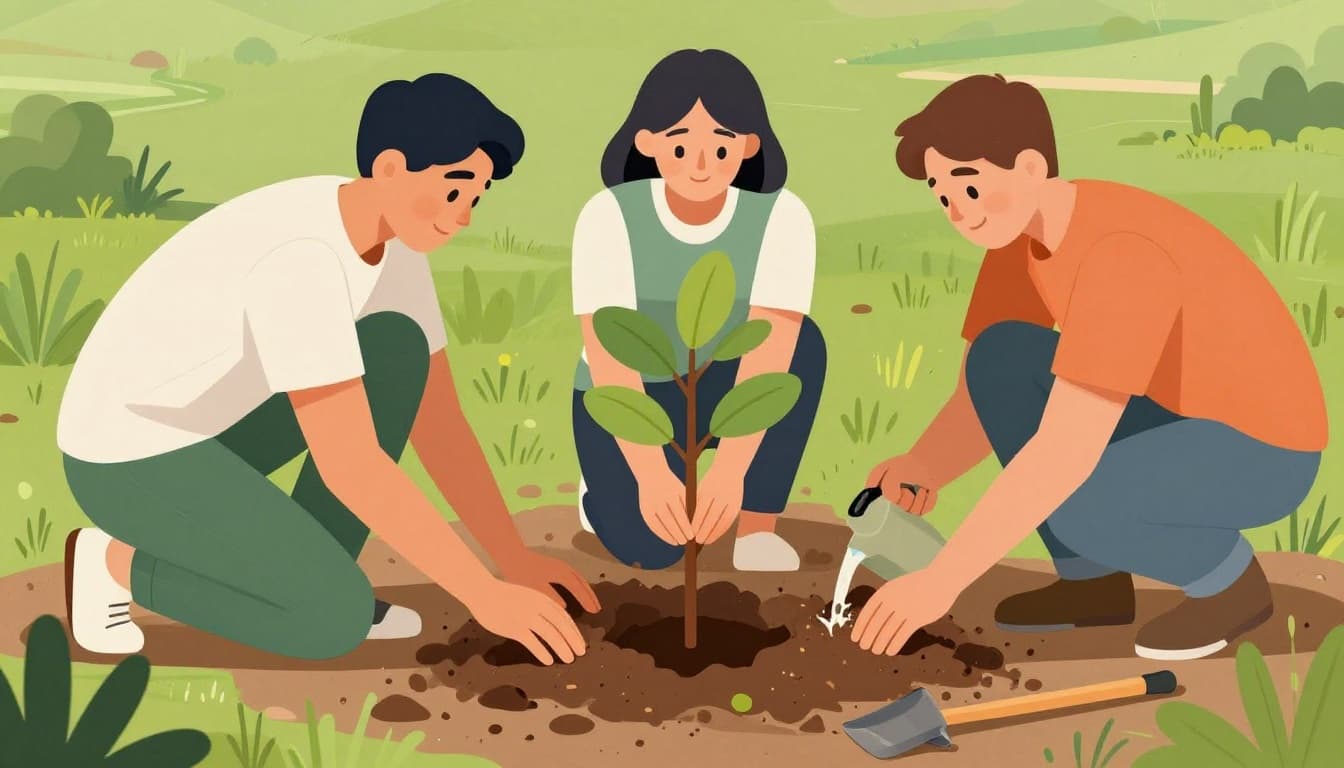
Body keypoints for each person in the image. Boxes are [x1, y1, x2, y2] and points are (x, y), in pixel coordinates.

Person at [57, 73, 598, 664]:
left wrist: (511, 561)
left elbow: (439, 424)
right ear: (391, 167)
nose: (463, 216)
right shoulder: (304, 259)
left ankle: (316, 573)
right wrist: (480, 593)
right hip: (127, 456)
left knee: (395, 347)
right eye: (453, 190)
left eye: (476, 197)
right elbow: (352, 466)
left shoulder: (395, 247)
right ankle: (113, 563)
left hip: (215, 426)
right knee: (327, 621)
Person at [851, 74, 1326, 661]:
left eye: (970, 189)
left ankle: (1227, 583)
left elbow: (1065, 452)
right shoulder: (1016, 239)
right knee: (1002, 355)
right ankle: (1091, 583)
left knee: (1077, 498)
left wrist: (940, 582)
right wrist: (925, 464)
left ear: (1029, 167)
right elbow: (985, 390)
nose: (958, 213)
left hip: (1262, 450)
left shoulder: (1118, 251)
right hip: (1172, 416)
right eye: (942, 195)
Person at [570, 49, 826, 572]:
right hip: (631, 396)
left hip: (722, 381)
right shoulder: (608, 216)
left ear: (749, 144)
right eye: (680, 145)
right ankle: (598, 493)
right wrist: (650, 474)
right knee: (658, 550)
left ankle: (758, 525)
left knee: (806, 346)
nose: (702, 164)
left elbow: (772, 355)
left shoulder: (783, 216)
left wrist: (730, 472)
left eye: (721, 144)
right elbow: (608, 357)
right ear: (647, 142)